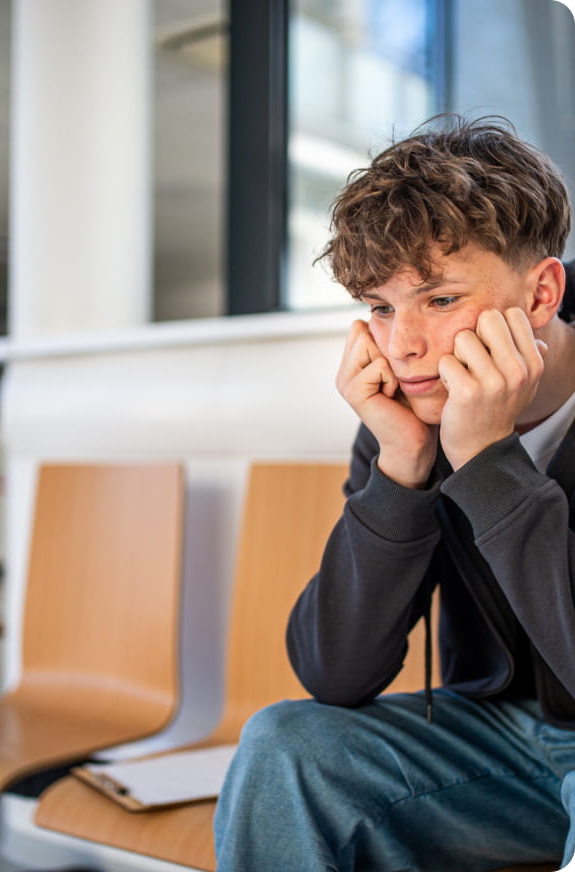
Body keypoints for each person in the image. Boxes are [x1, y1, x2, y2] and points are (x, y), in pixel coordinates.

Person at [214, 116, 575, 871]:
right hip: (497, 744)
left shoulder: (459, 418)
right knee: (286, 747)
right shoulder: (414, 410)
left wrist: (486, 462)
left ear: (541, 292)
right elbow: (336, 672)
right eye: (379, 307)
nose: (401, 344)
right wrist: (400, 469)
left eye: (438, 300)